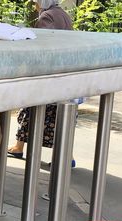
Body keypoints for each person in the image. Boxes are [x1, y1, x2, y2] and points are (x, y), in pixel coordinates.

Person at [7, 0, 74, 161]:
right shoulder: (64, 14)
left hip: (48, 73)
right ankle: (67, 155)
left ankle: (19, 147)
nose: (35, 5)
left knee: (31, 109)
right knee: (61, 116)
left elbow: (42, 45)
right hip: (65, 73)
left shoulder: (47, 16)